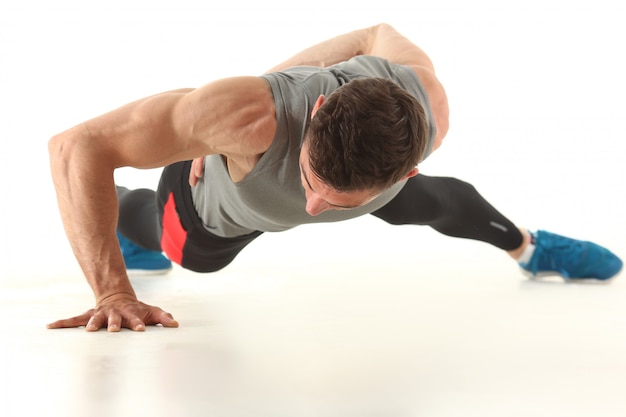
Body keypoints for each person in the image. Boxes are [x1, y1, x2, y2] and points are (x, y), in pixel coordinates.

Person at [47, 23, 622, 333]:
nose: (315, 208)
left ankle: (533, 251)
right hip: (220, 203)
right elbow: (76, 147)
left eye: (336, 198)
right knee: (182, 249)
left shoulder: (428, 106)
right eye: (310, 179)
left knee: (442, 202)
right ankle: (125, 216)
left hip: (358, 174)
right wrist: (113, 292)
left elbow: (375, 31)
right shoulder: (243, 118)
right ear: (318, 110)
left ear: (411, 159)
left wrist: (350, 190)